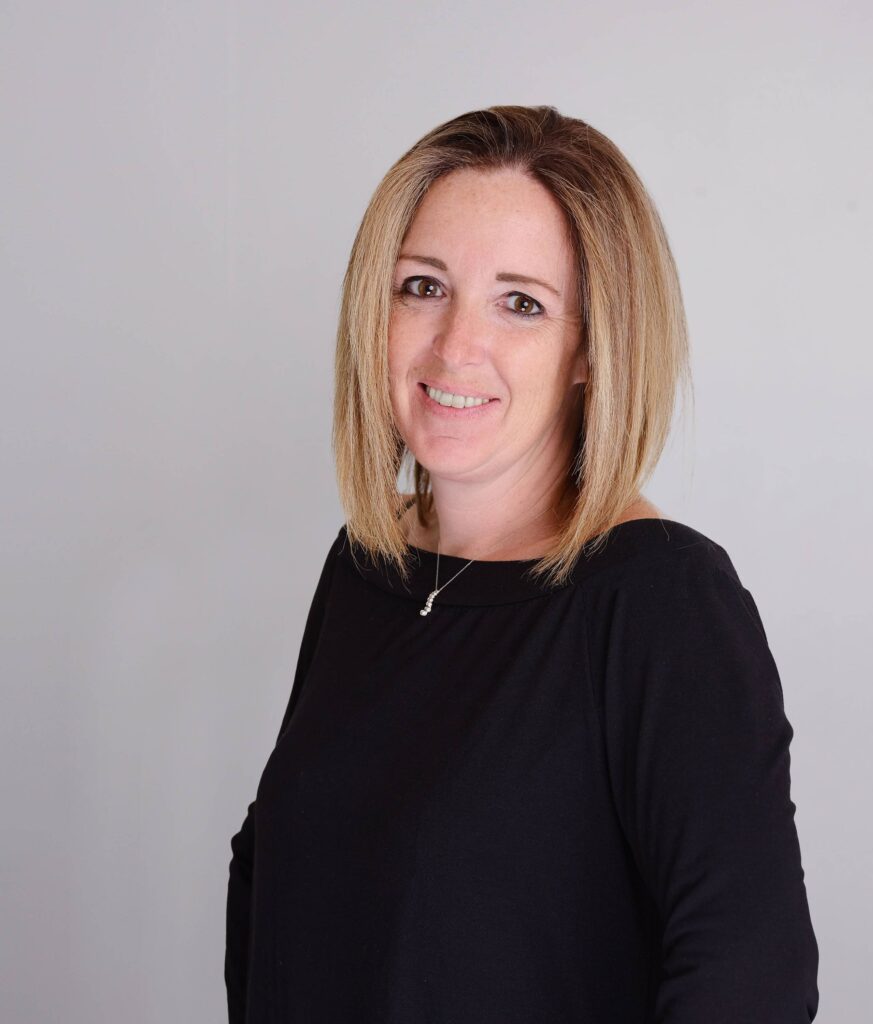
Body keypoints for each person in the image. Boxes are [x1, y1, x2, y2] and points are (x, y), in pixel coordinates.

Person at [225, 104, 819, 1023]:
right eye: (422, 287)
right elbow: (280, 895)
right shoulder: (365, 567)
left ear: (591, 349)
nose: (456, 345)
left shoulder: (661, 603)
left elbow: (750, 984)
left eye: (521, 303)